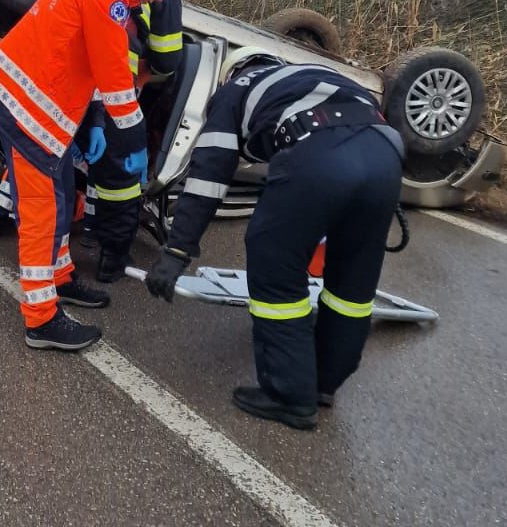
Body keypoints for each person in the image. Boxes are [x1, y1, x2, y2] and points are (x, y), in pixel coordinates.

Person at [143, 47, 404, 429]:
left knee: (274, 262)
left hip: (318, 149)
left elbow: (208, 177)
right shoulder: (310, 76)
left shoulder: (234, 92)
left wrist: (177, 251)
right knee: (352, 282)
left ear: (233, 72)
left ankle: (289, 394)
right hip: (386, 155)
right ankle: (324, 383)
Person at [0, 0, 181, 352]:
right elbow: (115, 80)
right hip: (29, 111)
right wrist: (135, 143)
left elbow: (90, 59)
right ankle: (41, 319)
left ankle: (60, 278)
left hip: (32, 105)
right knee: (41, 211)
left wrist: (94, 121)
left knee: (61, 193)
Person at [0, 0, 185, 249]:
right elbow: (168, 58)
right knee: (98, 161)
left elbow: (43, 4)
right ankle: (91, 232)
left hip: (57, 77)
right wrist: (140, 99)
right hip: (106, 81)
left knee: (37, 154)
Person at [87, 0, 186, 283]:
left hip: (66, 83)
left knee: (51, 163)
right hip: (115, 86)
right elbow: (168, 59)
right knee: (122, 176)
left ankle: (3, 220)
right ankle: (111, 258)